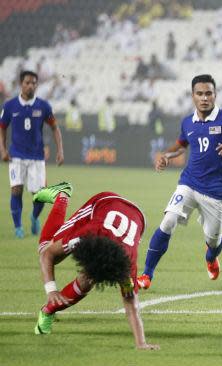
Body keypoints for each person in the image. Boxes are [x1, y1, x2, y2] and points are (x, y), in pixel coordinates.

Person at [137, 74, 222, 289]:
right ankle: (147, 275)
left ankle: (211, 257)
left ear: (215, 95)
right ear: (193, 96)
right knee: (168, 222)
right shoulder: (188, 122)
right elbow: (181, 146)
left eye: (208, 93)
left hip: (215, 191)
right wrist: (167, 156)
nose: (204, 98)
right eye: (200, 94)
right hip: (188, 183)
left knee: (213, 241)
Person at [33, 182, 158, 350]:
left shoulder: (128, 264)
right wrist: (51, 290)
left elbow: (131, 304)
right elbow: (46, 256)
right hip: (103, 203)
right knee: (46, 249)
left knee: (86, 281)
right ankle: (61, 196)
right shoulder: (85, 235)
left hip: (137, 219)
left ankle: (48, 311)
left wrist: (141, 343)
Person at [0, 70, 64, 239]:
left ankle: (34, 217)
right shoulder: (10, 105)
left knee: (41, 195)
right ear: (21, 84)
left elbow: (55, 128)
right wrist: (3, 150)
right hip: (16, 156)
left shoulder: (43, 106)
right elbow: (2, 128)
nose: (31, 85)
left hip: (37, 157)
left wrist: (60, 150)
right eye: (27, 82)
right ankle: (18, 227)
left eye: (34, 83)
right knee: (16, 189)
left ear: (37, 85)